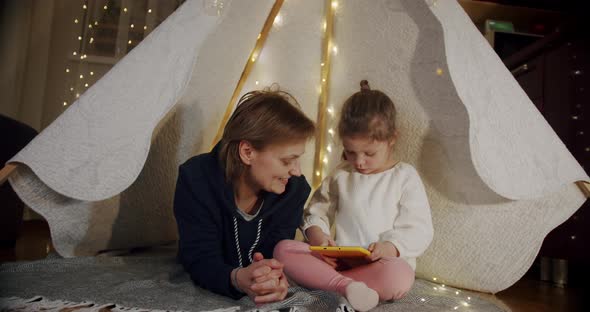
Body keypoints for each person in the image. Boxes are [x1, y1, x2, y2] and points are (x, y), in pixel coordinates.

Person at [273, 80, 434, 312]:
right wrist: (318, 236)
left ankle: (335, 285)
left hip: (380, 265)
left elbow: (420, 230)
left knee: (399, 276)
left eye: (369, 153)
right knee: (284, 250)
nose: (359, 161)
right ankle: (345, 286)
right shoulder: (341, 174)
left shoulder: (404, 177)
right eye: (350, 152)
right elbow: (316, 211)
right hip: (337, 263)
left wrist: (389, 247)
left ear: (392, 139)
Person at [174, 89, 315, 303]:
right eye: (287, 161)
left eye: (297, 159)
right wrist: (237, 279)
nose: (296, 171)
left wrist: (274, 279)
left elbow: (278, 253)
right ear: (247, 152)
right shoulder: (196, 180)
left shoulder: (294, 190)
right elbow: (199, 257)